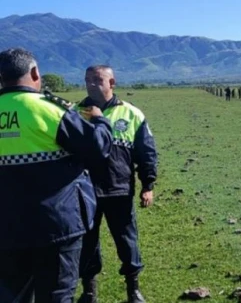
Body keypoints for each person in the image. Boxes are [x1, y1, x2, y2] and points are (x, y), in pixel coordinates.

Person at [0, 48, 113, 303]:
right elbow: (98, 148)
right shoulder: (49, 109)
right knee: (56, 295)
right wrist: (100, 121)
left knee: (10, 294)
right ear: (35, 73)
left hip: (6, 228)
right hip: (55, 225)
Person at [77, 65, 158, 303]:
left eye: (97, 79)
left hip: (119, 190)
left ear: (112, 83)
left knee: (127, 241)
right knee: (87, 244)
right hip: (85, 192)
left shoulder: (131, 114)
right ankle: (89, 292)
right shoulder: (74, 113)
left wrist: (148, 184)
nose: (91, 84)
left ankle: (133, 290)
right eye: (87, 80)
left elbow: (147, 152)